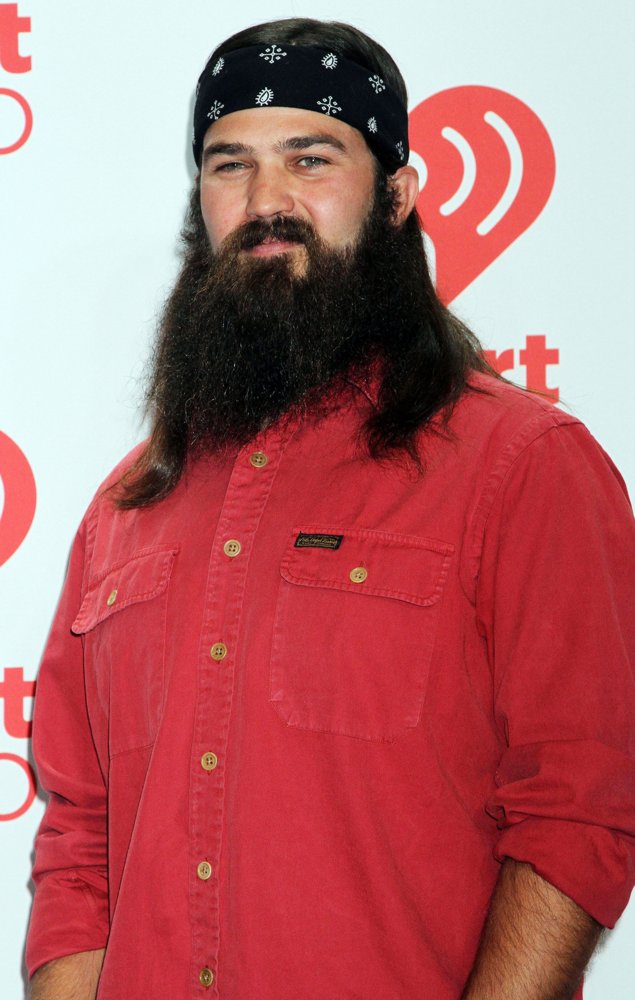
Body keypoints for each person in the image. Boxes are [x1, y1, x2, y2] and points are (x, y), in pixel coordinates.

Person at [26, 17, 635, 1000]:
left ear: (396, 191)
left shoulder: (523, 468)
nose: (267, 201)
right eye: (231, 166)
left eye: (310, 158)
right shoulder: (125, 508)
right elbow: (79, 843)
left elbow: (577, 813)